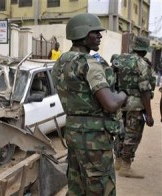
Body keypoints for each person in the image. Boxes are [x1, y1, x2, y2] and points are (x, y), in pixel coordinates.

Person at [51, 13, 127, 195]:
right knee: (101, 187)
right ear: (83, 34)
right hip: (95, 140)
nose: (100, 36)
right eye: (95, 33)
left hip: (74, 134)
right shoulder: (89, 64)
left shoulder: (60, 62)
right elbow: (110, 103)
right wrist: (124, 94)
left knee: (76, 187)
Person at [112, 36, 155, 179]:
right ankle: (125, 166)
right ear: (143, 50)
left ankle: (117, 161)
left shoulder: (120, 59)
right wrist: (149, 114)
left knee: (120, 132)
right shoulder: (141, 63)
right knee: (132, 135)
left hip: (120, 102)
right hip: (135, 106)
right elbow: (145, 90)